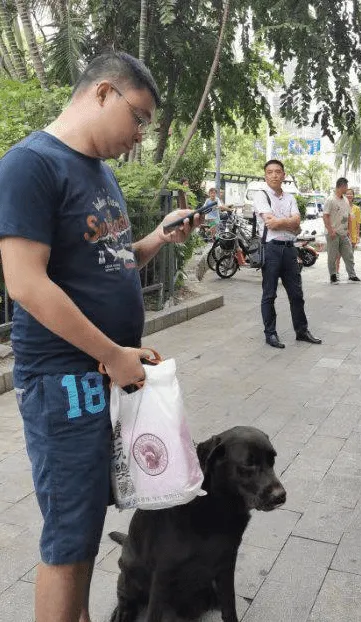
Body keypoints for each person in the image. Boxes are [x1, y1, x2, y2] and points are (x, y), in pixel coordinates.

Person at [0, 52, 199, 622]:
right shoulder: (30, 165)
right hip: (64, 383)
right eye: (138, 118)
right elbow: (25, 284)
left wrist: (157, 240)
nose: (139, 135)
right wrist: (111, 354)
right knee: (67, 535)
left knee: (85, 525)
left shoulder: (101, 172)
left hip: (99, 378)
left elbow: (108, 262)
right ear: (104, 92)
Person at [253, 159, 321, 349]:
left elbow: (296, 224)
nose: (274, 175)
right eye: (270, 172)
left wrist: (284, 222)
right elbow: (272, 224)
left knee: (297, 293)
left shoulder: (290, 197)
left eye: (278, 171)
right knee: (269, 294)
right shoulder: (261, 196)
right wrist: (290, 222)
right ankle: (270, 334)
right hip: (271, 249)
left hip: (290, 249)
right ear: (265, 175)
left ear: (284, 175)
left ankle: (301, 331)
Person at [323, 177, 361, 283]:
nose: (347, 190)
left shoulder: (344, 199)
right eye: (346, 187)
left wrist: (349, 230)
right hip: (333, 234)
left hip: (344, 234)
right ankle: (333, 275)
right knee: (332, 256)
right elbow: (325, 216)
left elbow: (349, 216)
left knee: (349, 254)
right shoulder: (330, 200)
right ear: (342, 186)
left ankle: (352, 275)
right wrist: (330, 230)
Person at [336, 188, 361, 275]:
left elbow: (358, 223)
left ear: (353, 196)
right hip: (341, 235)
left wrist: (358, 236)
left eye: (351, 194)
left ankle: (351, 274)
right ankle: (336, 273)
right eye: (347, 194)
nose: (349, 195)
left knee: (350, 257)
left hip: (352, 236)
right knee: (338, 256)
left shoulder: (357, 209)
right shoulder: (340, 207)